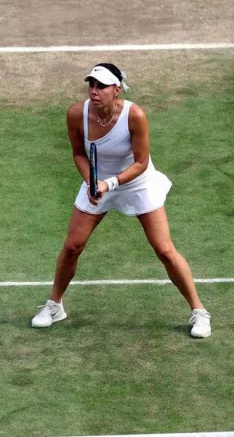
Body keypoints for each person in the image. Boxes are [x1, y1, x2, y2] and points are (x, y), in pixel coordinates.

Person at [30, 63, 211, 338]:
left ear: (116, 90)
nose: (94, 91)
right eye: (91, 85)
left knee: (164, 250)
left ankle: (199, 311)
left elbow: (141, 162)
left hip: (137, 182)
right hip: (98, 182)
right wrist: (92, 182)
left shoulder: (134, 115)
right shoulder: (77, 114)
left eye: (101, 86)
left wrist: (109, 183)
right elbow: (78, 153)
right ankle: (55, 306)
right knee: (71, 247)